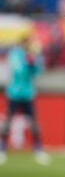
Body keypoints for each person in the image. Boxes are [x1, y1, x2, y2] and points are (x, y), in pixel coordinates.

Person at [0, 35, 50, 165]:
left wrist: (33, 61)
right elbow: (18, 71)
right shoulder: (15, 54)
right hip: (14, 94)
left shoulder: (32, 55)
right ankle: (2, 149)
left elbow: (38, 72)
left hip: (28, 94)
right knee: (8, 121)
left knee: (34, 122)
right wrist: (27, 60)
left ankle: (38, 150)